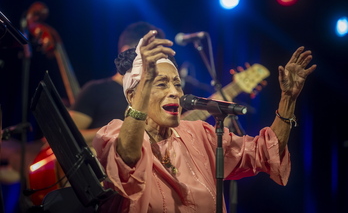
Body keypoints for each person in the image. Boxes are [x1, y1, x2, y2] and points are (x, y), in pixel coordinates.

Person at [93, 30, 316, 212]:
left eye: (177, 84)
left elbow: (264, 151)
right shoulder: (113, 134)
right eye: (160, 83)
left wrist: (288, 100)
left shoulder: (199, 133)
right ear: (132, 95)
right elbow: (126, 161)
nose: (174, 92)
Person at [69, 21, 166, 146]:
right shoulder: (96, 90)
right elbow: (66, 136)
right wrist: (122, 129)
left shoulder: (154, 96)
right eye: (151, 54)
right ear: (127, 52)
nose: (157, 61)